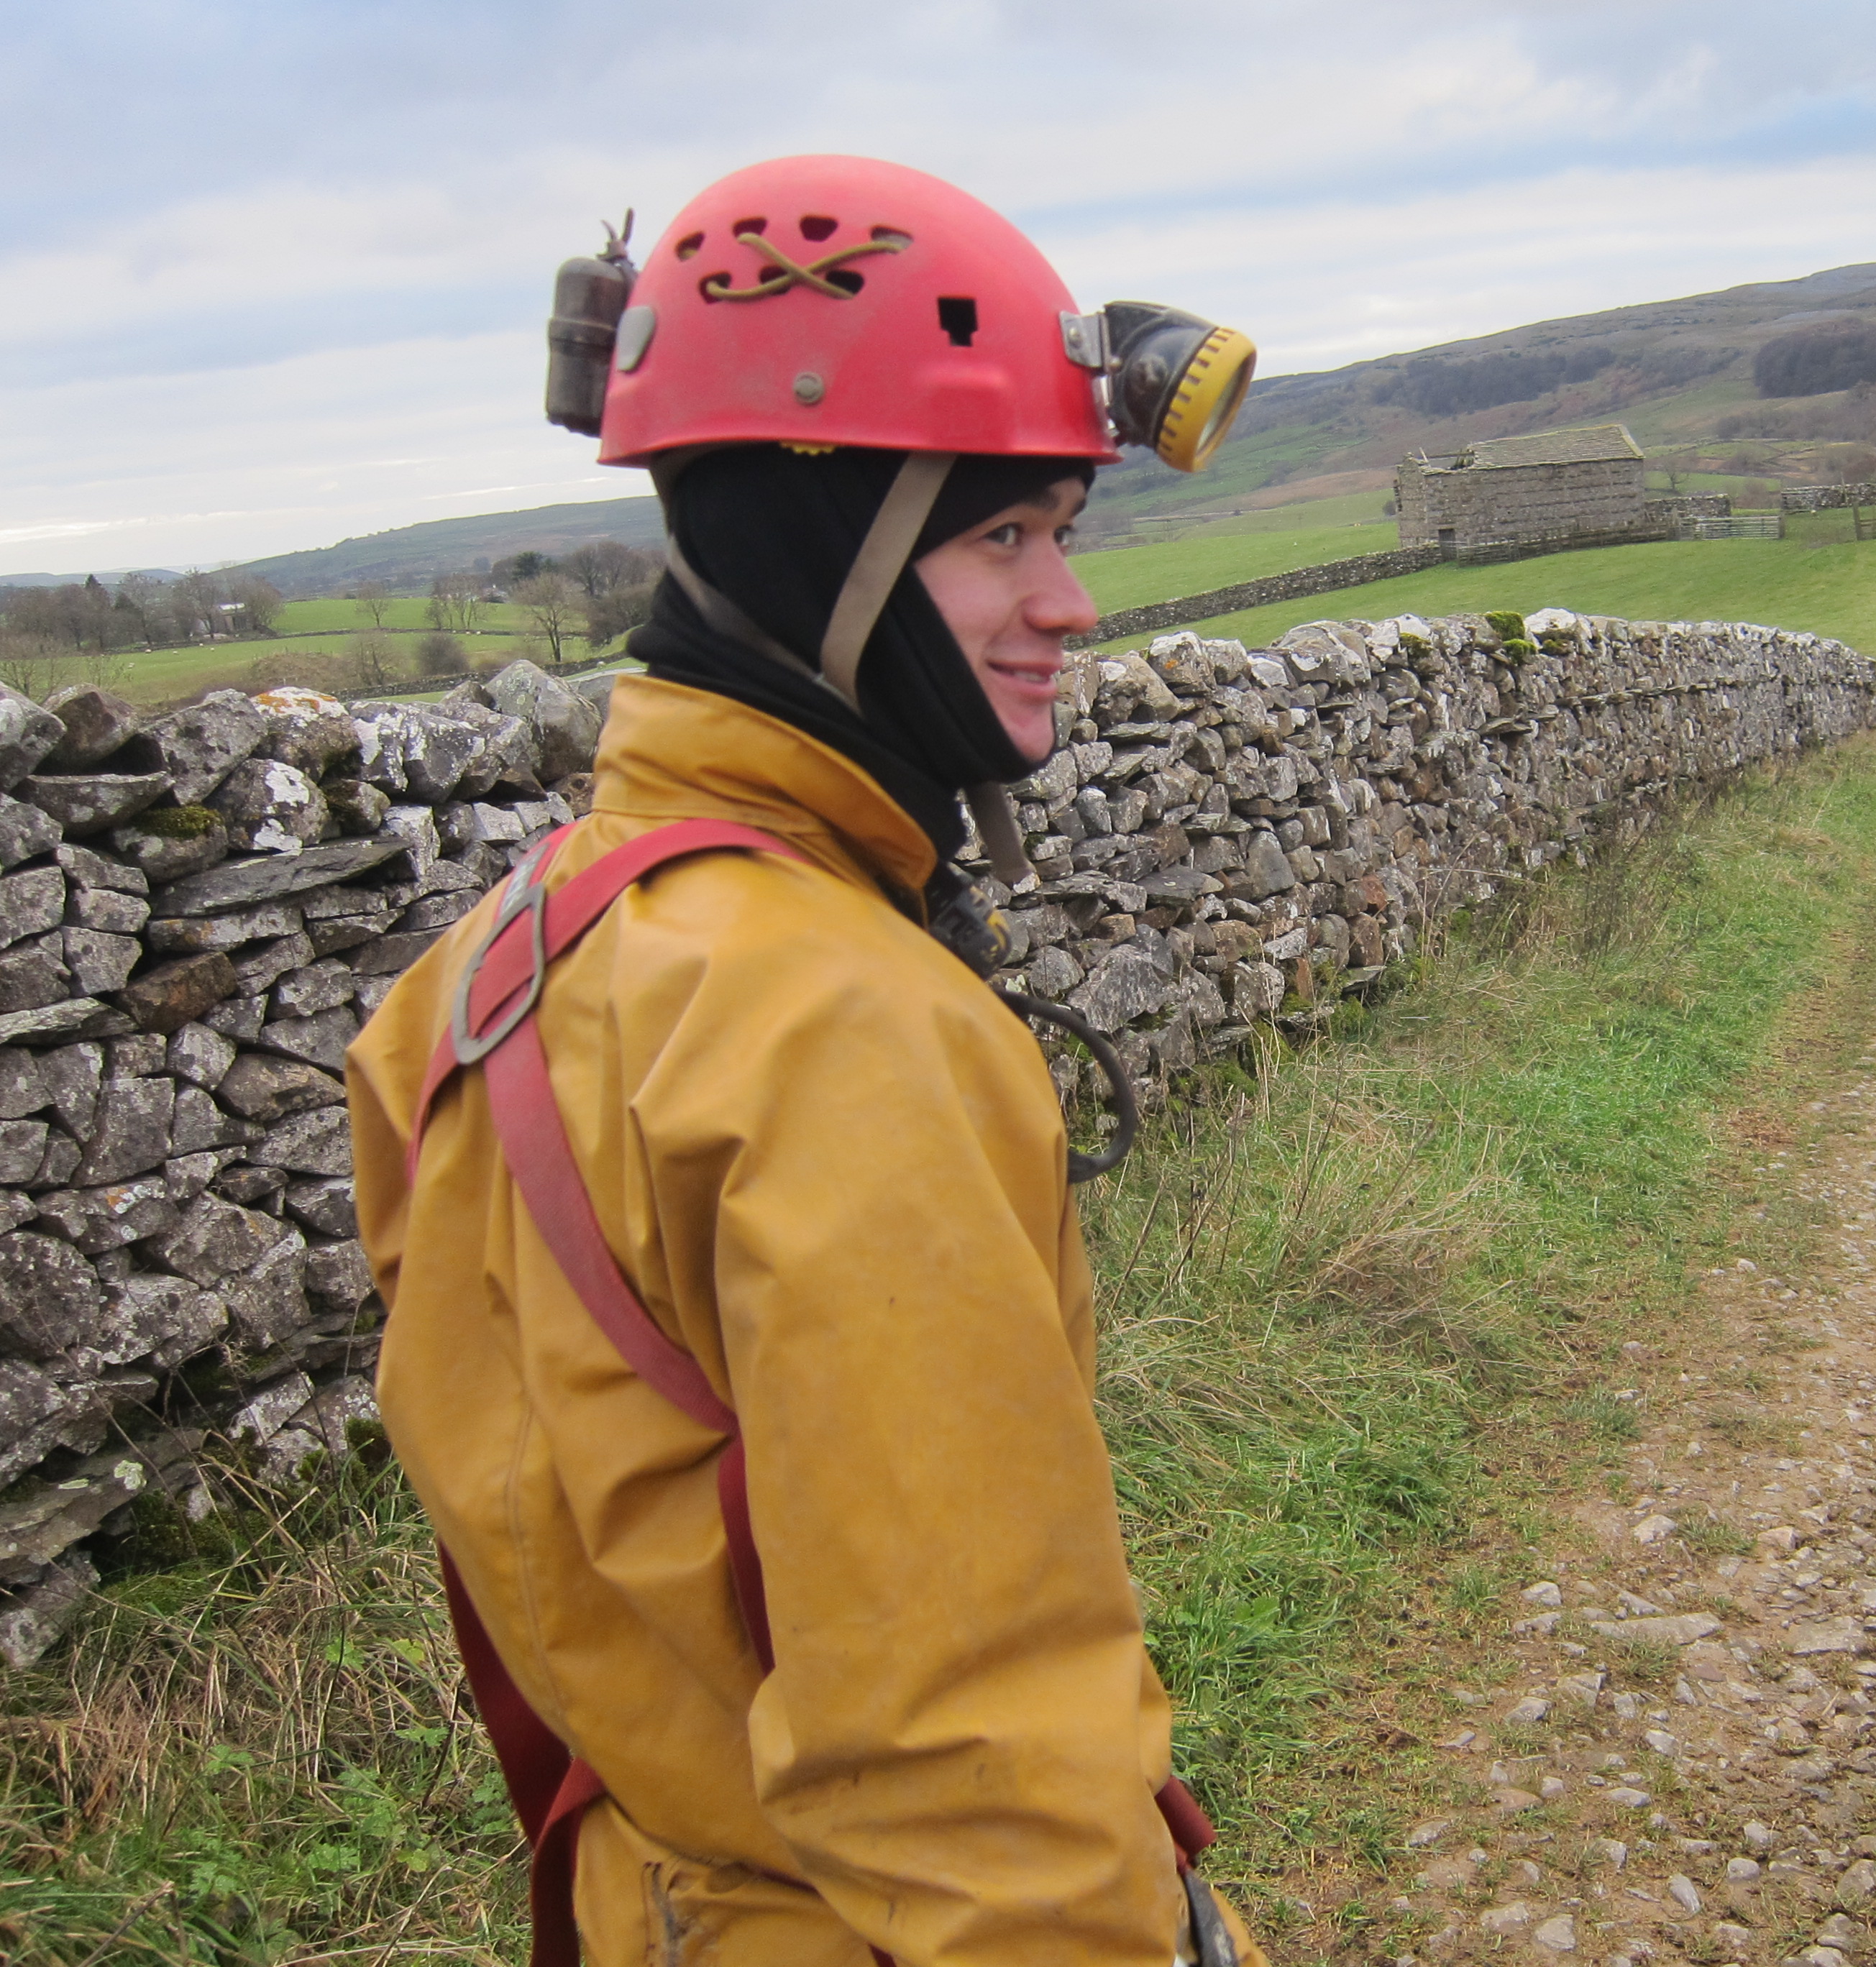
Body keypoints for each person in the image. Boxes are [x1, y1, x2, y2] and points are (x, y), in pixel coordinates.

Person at [345, 155, 1267, 1967]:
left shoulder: (484, 973)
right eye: (1002, 539)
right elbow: (969, 1745)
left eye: (1063, 531)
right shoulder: (845, 1027)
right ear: (822, 558)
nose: (1070, 602)